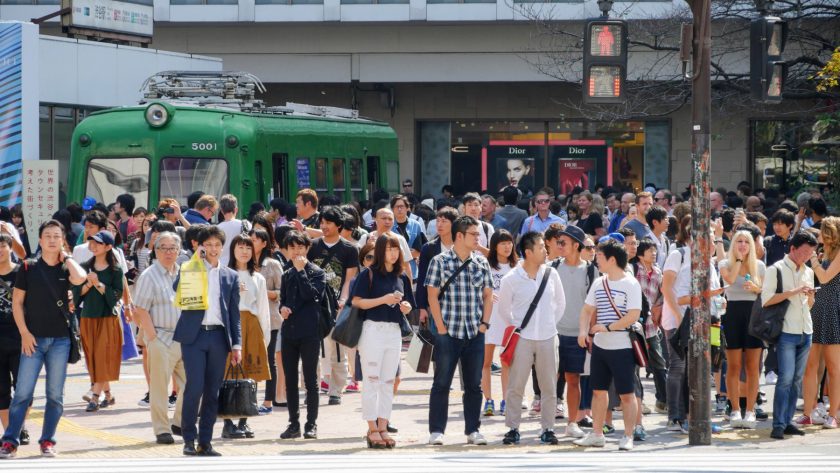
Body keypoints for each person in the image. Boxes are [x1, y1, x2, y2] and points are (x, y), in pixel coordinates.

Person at [0, 220, 87, 459]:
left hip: (60, 341)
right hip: (33, 340)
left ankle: (47, 440)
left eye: (56, 236)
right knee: (23, 394)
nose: (51, 239)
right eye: (47, 235)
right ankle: (10, 441)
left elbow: (80, 279)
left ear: (62, 241)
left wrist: (67, 257)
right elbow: (17, 303)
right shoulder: (28, 268)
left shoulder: (66, 268)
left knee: (55, 395)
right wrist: (25, 334)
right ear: (39, 240)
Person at [425, 216, 493, 446]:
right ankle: (436, 431)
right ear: (460, 236)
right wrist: (441, 328)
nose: (478, 238)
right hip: (448, 332)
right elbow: (432, 297)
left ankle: (473, 430)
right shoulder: (440, 261)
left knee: (474, 385)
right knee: (441, 383)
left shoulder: (481, 262)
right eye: (474, 234)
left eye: (478, 234)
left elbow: (487, 296)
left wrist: (484, 324)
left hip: (475, 332)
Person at [174, 225, 242, 457]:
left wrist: (237, 345)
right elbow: (177, 289)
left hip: (219, 337)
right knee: (194, 388)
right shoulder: (190, 268)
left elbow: (234, 314)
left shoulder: (230, 275)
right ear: (200, 246)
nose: (213, 249)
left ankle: (206, 441)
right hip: (194, 336)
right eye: (208, 245)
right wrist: (194, 262)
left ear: (222, 247)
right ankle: (188, 440)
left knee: (213, 391)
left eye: (217, 245)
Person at [497, 232, 565, 446]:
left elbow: (560, 304)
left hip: (548, 336)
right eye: (541, 247)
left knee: (549, 386)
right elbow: (503, 310)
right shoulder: (511, 279)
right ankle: (512, 428)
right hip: (522, 338)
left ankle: (548, 428)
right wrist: (518, 327)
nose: (546, 250)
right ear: (528, 252)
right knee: (516, 385)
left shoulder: (551, 274)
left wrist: (548, 324)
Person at [574, 239, 642, 451]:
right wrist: (583, 331)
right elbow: (586, 310)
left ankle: (628, 435)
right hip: (600, 348)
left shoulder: (631, 283)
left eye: (600, 257)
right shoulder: (599, 282)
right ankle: (597, 433)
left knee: (627, 394)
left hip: (622, 347)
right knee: (598, 391)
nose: (596, 260)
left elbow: (633, 315)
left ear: (612, 259)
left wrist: (608, 327)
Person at [351, 234, 415, 449]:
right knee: (372, 380)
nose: (394, 253)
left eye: (396, 249)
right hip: (372, 330)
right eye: (389, 249)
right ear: (380, 251)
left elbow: (409, 305)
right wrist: (383, 300)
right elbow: (357, 302)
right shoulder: (368, 274)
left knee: (388, 381)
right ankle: (372, 428)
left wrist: (405, 306)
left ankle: (384, 425)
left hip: (393, 331)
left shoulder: (402, 276)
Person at [132, 231, 186, 445]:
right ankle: (162, 429)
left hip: (184, 337)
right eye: (163, 247)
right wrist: (152, 337)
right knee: (160, 386)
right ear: (155, 251)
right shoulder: (149, 275)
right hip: (160, 336)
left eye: (173, 248)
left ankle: (179, 422)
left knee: (193, 383)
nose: (168, 252)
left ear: (179, 251)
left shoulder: (182, 273)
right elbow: (139, 309)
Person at [765, 231, 817, 440]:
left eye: (810, 253)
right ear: (792, 248)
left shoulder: (808, 271)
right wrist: (794, 291)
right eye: (803, 252)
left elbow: (809, 305)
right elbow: (766, 300)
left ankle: (787, 421)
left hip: (806, 329)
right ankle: (778, 423)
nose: (806, 256)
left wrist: (810, 296)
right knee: (785, 378)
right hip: (786, 330)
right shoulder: (775, 269)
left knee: (796, 380)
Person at [308, 207, 359, 405]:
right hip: (315, 305)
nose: (324, 226)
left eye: (328, 222)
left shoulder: (349, 249)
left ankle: (336, 389)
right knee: (316, 347)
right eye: (322, 222)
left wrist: (343, 300)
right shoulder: (312, 246)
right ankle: (315, 386)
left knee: (337, 348)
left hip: (337, 305)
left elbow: (349, 278)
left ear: (339, 225)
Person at [278, 230, 327, 441]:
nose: (296, 251)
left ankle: (311, 424)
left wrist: (300, 271)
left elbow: (312, 296)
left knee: (310, 380)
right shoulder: (286, 273)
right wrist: (282, 308)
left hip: (310, 332)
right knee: (290, 379)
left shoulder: (317, 272)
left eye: (300, 247)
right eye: (292, 247)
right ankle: (293, 423)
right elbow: (283, 299)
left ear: (307, 249)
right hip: (289, 331)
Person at [223, 235, 271, 439]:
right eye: (240, 247)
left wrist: (264, 337)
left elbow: (263, 309)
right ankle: (227, 421)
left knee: (250, 373)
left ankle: (244, 419)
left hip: (252, 326)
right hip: (230, 326)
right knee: (227, 373)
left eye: (248, 248)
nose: (244, 251)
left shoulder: (257, 278)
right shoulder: (224, 274)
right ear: (232, 250)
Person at [72, 231, 124, 413]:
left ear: (109, 247)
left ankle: (95, 397)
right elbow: (75, 295)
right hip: (88, 316)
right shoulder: (84, 267)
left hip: (108, 318)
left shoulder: (115, 270)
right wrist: (88, 284)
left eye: (98, 243)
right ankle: (108, 395)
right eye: (92, 243)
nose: (93, 246)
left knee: (102, 355)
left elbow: (117, 295)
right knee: (93, 356)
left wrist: (100, 284)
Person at [719, 230, 766, 429]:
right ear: (733, 244)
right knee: (734, 366)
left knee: (753, 367)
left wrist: (756, 288)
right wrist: (738, 261)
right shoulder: (724, 263)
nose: (742, 245)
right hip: (732, 314)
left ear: (752, 246)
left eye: (746, 242)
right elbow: (728, 281)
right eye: (738, 241)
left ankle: (751, 410)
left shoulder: (760, 266)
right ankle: (735, 409)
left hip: (753, 314)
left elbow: (764, 290)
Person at [553, 225, 596, 438]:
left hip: (577, 334)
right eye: (558, 242)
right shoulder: (552, 267)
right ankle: (547, 424)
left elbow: (594, 305)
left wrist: (589, 333)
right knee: (549, 380)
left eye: (563, 243)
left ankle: (572, 422)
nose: (559, 246)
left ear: (576, 245)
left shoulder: (590, 270)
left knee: (573, 379)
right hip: (552, 332)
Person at [799, 217, 840, 428]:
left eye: (822, 232)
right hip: (817, 309)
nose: (819, 236)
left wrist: (814, 260)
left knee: (834, 368)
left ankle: (834, 414)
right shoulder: (825, 255)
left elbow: (824, 278)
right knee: (811, 366)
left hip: (833, 311)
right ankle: (809, 411)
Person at [481, 230, 517, 417]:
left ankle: (506, 400)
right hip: (489, 319)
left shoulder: (518, 267)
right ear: (494, 246)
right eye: (502, 243)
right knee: (486, 362)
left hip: (509, 321)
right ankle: (488, 400)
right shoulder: (485, 266)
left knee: (506, 362)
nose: (507, 246)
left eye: (509, 242)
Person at [251, 229, 285, 415]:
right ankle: (250, 399)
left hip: (270, 319)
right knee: (250, 360)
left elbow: (282, 291)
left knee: (269, 360)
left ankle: (268, 401)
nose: (250, 243)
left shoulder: (272, 264)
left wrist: (265, 293)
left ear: (264, 243)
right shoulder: (243, 264)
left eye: (254, 240)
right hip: (248, 319)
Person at [0, 235, 24, 444]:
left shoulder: (21, 273)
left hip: (20, 337)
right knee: (1, 391)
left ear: (10, 248)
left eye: (3, 246)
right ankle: (9, 433)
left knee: (24, 389)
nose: (0, 250)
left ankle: (18, 427)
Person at [416, 208, 458, 325]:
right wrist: (422, 306)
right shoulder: (428, 248)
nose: (439, 225)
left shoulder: (462, 246)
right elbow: (422, 278)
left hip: (459, 303)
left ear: (453, 224)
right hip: (436, 303)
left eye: (444, 221)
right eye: (438, 221)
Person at [391, 194, 426, 276]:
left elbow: (423, 248)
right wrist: (409, 254)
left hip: (413, 271)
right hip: (393, 271)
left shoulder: (416, 225)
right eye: (396, 207)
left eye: (402, 206)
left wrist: (417, 253)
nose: (399, 209)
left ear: (407, 208)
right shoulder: (389, 226)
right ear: (392, 209)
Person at [218, 194, 249, 267]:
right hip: (241, 265)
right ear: (236, 209)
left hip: (222, 266)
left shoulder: (216, 229)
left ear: (222, 211)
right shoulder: (246, 224)